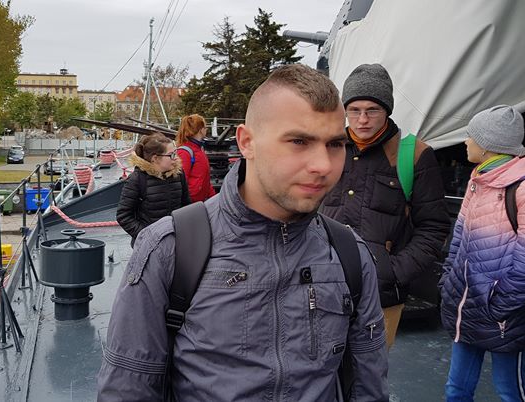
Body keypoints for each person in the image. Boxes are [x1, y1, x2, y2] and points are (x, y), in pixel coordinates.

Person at [98, 64, 388, 401]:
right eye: (299, 141)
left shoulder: (350, 254)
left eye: (336, 144)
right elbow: (128, 389)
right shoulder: (169, 249)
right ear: (247, 142)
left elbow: (368, 387)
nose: (323, 165)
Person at [320, 63, 450, 348]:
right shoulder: (328, 147)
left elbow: (433, 227)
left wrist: (391, 273)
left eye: (373, 110)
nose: (363, 119)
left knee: (370, 369)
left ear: (387, 110)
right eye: (354, 110)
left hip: (382, 293)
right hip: (323, 286)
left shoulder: (414, 155)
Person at [439, 105, 525, 401]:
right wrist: (449, 281)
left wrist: (499, 304)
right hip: (469, 306)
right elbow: (459, 237)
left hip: (505, 316)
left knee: (509, 391)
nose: (466, 141)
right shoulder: (477, 179)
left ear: (488, 143)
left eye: (471, 135)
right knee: (456, 390)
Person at [116, 133, 191, 246]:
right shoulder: (137, 179)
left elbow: (186, 205)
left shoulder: (178, 174)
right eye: (171, 155)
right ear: (155, 158)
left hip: (175, 240)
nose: (175, 158)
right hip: (148, 245)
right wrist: (147, 236)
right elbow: (124, 215)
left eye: (175, 153)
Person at [175, 114, 216, 202]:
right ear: (200, 130)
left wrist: (214, 198)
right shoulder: (185, 152)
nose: (206, 129)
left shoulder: (199, 149)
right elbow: (181, 181)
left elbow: (205, 179)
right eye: (205, 127)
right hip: (191, 203)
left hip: (200, 201)